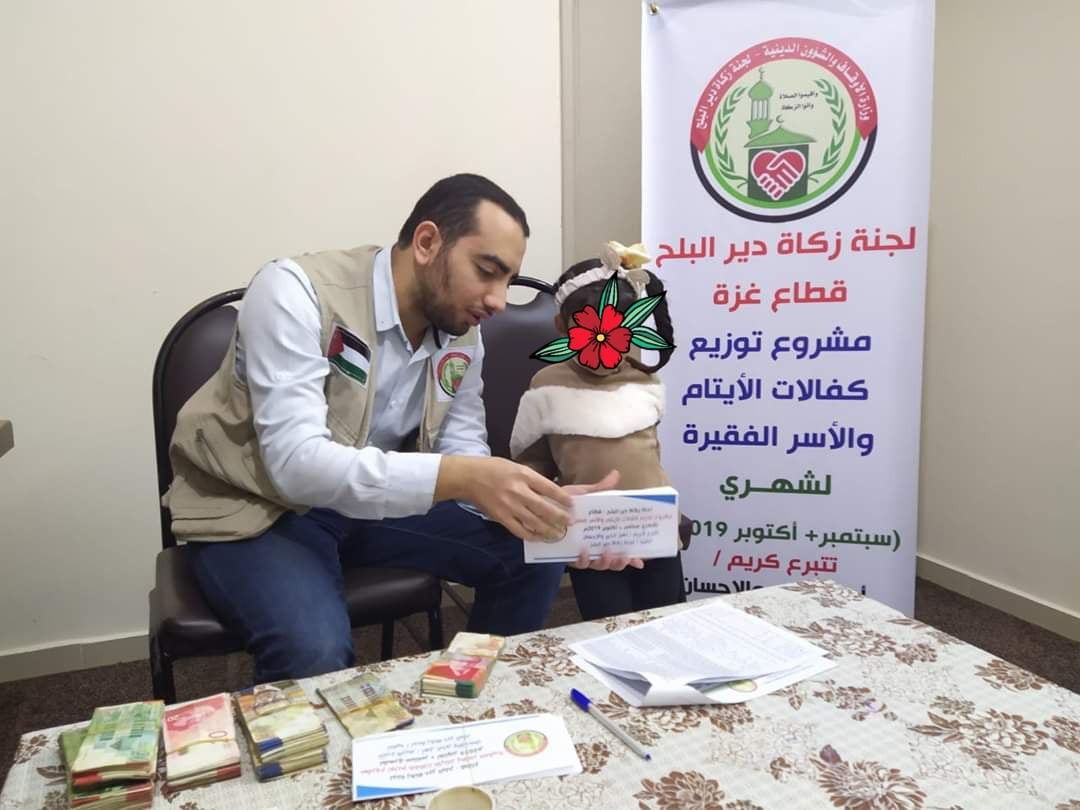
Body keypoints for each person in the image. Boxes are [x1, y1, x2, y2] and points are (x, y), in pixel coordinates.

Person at [164, 173, 634, 683]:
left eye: (507, 280)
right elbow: (295, 466)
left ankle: (466, 699)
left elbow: (462, 449)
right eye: (486, 271)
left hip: (366, 506)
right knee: (314, 650)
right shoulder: (294, 291)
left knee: (533, 550)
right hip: (259, 507)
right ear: (428, 242)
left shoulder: (462, 331)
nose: (498, 299)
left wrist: (540, 507)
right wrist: (465, 478)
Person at [509, 242, 688, 621]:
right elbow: (530, 464)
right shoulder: (546, 386)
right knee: (606, 625)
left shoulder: (647, 380)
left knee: (667, 622)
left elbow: (647, 457)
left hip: (655, 531)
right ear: (562, 327)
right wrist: (543, 512)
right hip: (592, 541)